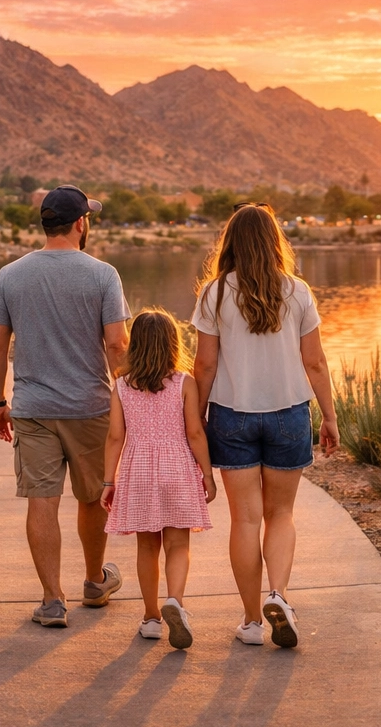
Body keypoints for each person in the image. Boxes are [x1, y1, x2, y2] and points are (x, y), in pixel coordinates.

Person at [191, 203, 339, 648]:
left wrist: (195, 419)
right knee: (281, 514)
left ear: (230, 243)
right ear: (275, 241)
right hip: (288, 414)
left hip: (232, 417)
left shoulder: (214, 294)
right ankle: (280, 596)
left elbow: (204, 366)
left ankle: (254, 622)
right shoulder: (296, 292)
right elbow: (313, 361)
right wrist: (329, 416)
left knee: (245, 521)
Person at [0, 184, 130, 628]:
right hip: (90, 407)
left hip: (32, 408)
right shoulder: (103, 275)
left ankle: (52, 600)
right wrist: (128, 401)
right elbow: (117, 344)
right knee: (92, 498)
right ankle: (93, 581)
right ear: (81, 223)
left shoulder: (11, 274)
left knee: (41, 501)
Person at [102, 309, 216, 649]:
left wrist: (109, 481)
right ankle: (175, 601)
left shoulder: (122, 385)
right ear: (172, 345)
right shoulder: (184, 383)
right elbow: (195, 432)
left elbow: (114, 437)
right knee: (178, 544)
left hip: (137, 471)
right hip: (177, 469)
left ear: (135, 345)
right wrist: (207, 474)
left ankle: (151, 618)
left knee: (147, 547)